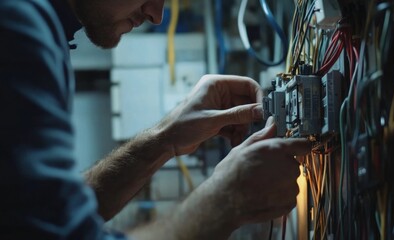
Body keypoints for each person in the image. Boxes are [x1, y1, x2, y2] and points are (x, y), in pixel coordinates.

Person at [0, 0, 310, 239]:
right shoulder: (18, 26)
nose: (156, 14)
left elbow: (49, 214)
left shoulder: (45, 29)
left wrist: (163, 139)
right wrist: (227, 201)